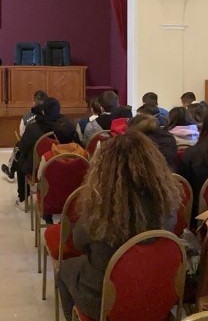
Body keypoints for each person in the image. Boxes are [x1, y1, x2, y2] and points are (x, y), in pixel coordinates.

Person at [56, 131, 179, 321]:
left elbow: (78, 242)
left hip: (105, 299)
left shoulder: (100, 213)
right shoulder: (166, 207)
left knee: (64, 271)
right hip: (156, 292)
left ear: (104, 170)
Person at [14, 97, 61, 209]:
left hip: (36, 168)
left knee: (21, 160)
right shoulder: (65, 126)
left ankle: (23, 199)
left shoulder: (33, 128)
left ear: (43, 111)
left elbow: (22, 147)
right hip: (61, 164)